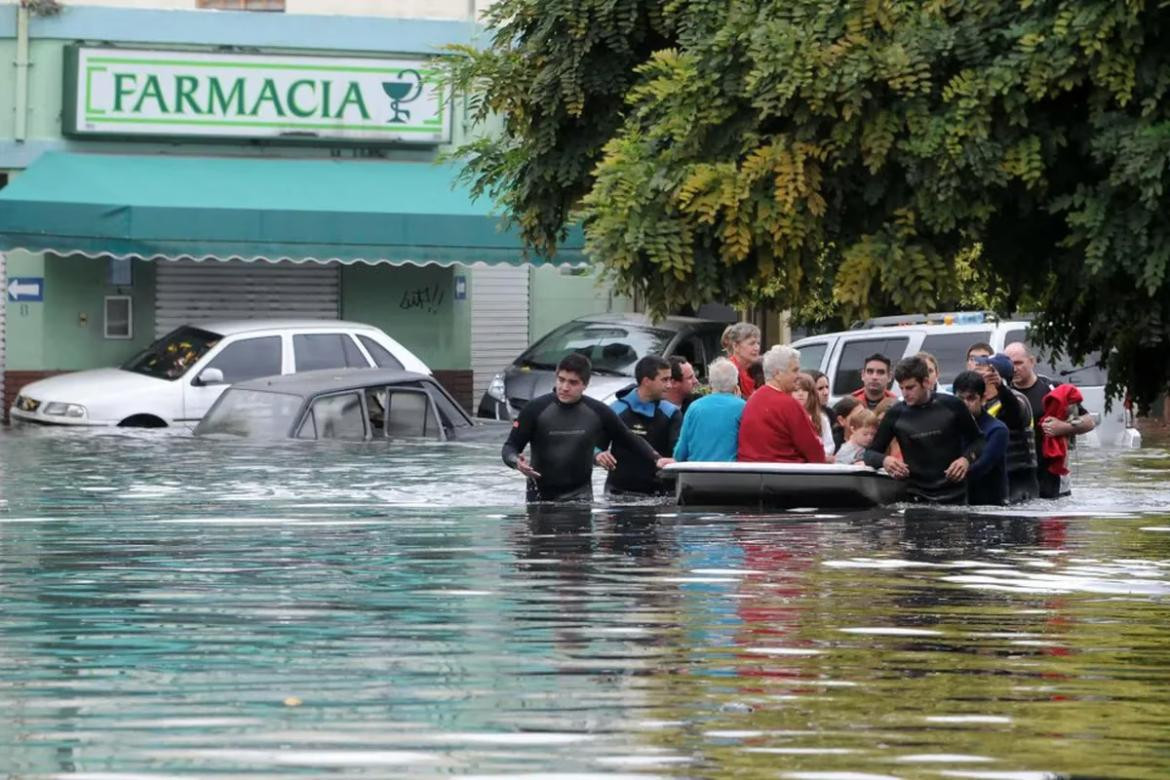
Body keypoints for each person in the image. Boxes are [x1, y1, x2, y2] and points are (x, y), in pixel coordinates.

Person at [501, 353, 671, 502]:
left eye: (573, 382)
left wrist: (656, 458)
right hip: (540, 498)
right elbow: (510, 447)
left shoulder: (597, 411)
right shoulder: (535, 409)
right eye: (561, 380)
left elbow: (629, 438)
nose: (564, 387)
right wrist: (516, 462)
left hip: (580, 498)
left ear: (585, 384)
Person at [862, 356, 985, 503]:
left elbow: (978, 440)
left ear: (926, 382)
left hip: (954, 495)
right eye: (901, 388)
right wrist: (885, 460)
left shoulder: (952, 405)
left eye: (910, 387)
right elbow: (869, 454)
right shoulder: (896, 414)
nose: (905, 393)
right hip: (916, 496)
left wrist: (966, 459)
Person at [1004, 342, 1096, 499]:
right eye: (1009, 364)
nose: (1014, 368)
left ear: (1032, 361)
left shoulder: (1053, 390)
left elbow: (1088, 421)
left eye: (1019, 363)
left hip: (1051, 474)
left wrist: (1064, 427)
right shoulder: (1003, 393)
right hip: (1017, 474)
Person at [603, 355, 683, 496]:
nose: (669, 385)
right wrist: (598, 455)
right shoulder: (616, 410)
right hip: (617, 493)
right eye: (664, 380)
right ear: (646, 381)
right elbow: (595, 446)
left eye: (670, 380)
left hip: (658, 493)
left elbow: (678, 455)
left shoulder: (672, 413)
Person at [737, 345, 827, 464]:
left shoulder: (752, 400)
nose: (799, 375)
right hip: (786, 476)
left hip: (751, 475)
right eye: (795, 370)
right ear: (778, 374)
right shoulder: (788, 404)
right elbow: (814, 451)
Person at [972, 352, 1038, 503]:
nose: (975, 370)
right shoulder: (980, 403)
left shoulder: (1018, 399)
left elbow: (1014, 412)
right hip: (994, 479)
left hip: (1019, 483)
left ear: (996, 375)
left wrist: (1000, 387)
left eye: (982, 367)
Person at [953, 370, 1009, 505]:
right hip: (960, 499)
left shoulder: (997, 430)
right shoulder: (950, 426)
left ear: (983, 399)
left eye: (971, 398)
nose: (965, 404)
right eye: (960, 399)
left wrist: (947, 479)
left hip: (991, 504)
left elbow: (983, 466)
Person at [673, 358, 745, 462]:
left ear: (711, 383)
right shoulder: (743, 407)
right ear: (736, 384)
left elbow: (680, 453)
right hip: (730, 473)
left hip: (696, 473)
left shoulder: (694, 407)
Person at [792, 372, 835, 458]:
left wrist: (820, 455)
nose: (800, 393)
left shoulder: (821, 418)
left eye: (805, 390)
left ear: (811, 393)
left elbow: (829, 445)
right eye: (796, 390)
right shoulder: (786, 417)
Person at [724, 322, 763, 398]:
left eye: (758, 343)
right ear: (735, 346)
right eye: (752, 344)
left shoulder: (759, 369)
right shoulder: (726, 372)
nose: (757, 348)